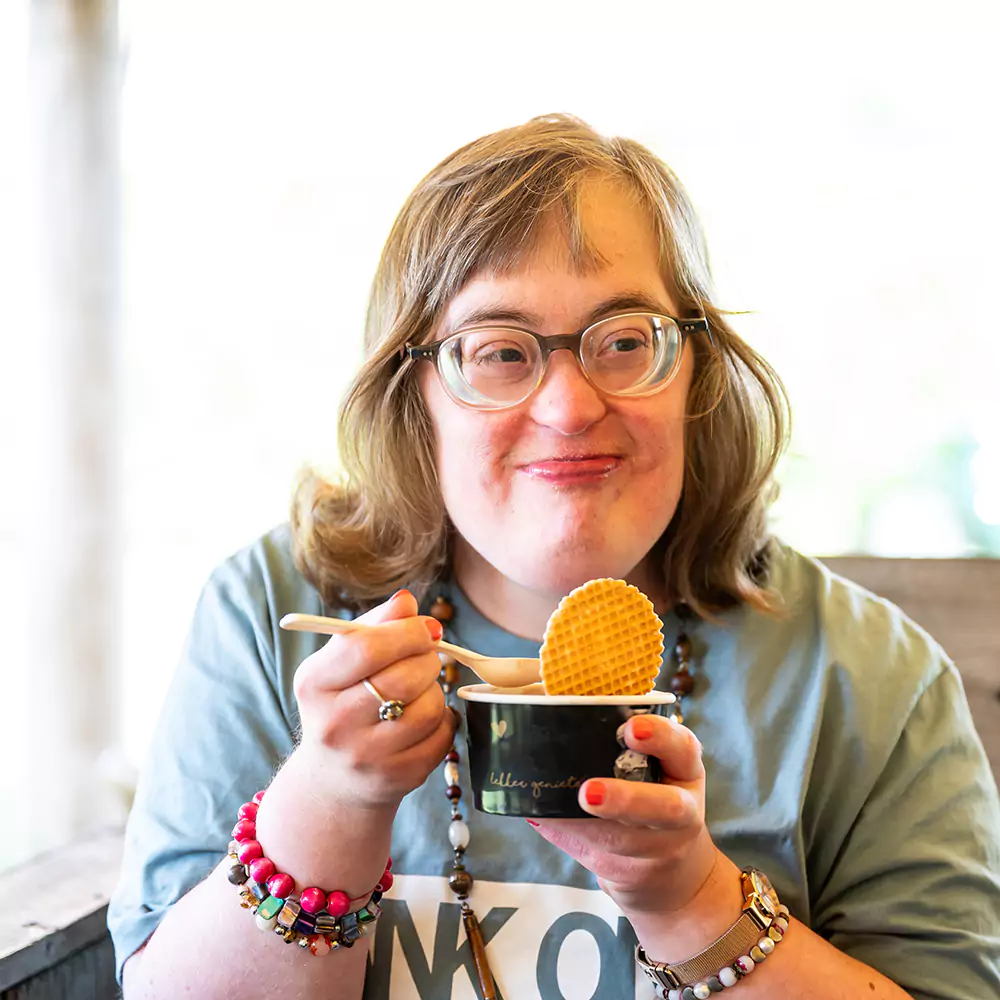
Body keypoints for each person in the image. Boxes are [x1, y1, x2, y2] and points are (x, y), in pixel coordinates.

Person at [108, 113, 1000, 1000]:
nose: (569, 408)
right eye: (499, 353)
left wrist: (690, 901)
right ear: (415, 396)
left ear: (696, 370)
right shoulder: (270, 621)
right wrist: (329, 804)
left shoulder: (865, 678)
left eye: (623, 341)